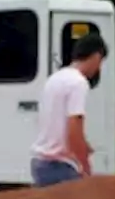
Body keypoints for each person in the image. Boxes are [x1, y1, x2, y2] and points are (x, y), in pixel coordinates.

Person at [29, 33, 109, 188]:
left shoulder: (55, 79)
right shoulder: (78, 83)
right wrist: (85, 165)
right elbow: (73, 129)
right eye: (100, 62)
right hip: (59, 166)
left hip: (39, 162)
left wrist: (84, 145)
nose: (98, 68)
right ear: (96, 56)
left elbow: (53, 123)